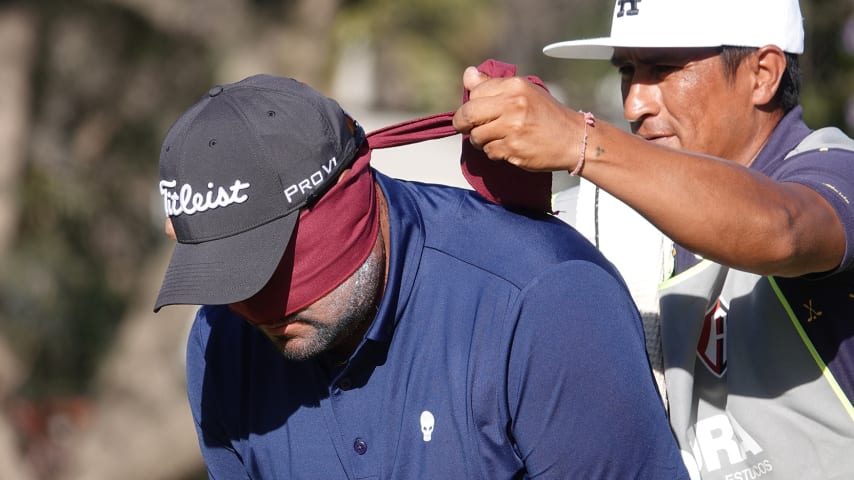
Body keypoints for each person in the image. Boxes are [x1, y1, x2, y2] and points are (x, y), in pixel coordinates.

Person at [153, 74, 688, 479]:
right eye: (229, 278)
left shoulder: (539, 300)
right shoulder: (219, 341)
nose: (251, 307)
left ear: (347, 210)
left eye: (267, 270)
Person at [453, 1, 854, 479]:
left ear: (763, 74)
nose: (633, 105)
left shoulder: (834, 169)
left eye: (664, 69)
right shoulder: (632, 212)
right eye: (627, 70)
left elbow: (784, 229)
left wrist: (577, 141)